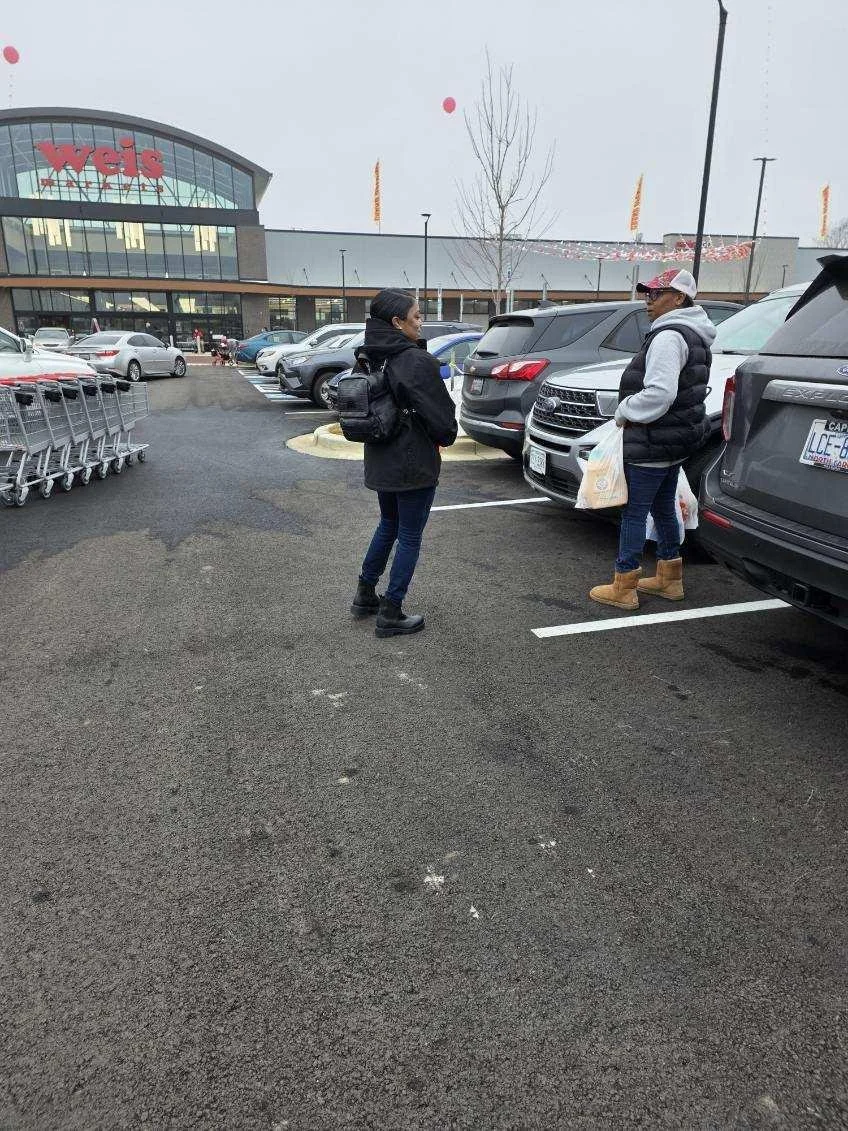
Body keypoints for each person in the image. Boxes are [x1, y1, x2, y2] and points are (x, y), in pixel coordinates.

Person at [589, 268, 716, 610]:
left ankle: (624, 584)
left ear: (678, 298)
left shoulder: (669, 336)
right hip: (674, 441)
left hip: (653, 440)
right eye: (648, 293)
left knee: (633, 512)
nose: (649, 300)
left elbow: (660, 393)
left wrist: (624, 410)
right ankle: (669, 578)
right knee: (663, 507)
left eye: (656, 294)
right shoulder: (694, 335)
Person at [351, 289, 458, 637]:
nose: (421, 321)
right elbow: (441, 418)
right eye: (416, 316)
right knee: (409, 535)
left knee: (388, 524)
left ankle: (365, 595)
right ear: (397, 322)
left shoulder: (368, 356)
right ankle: (392, 611)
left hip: (380, 455)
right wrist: (446, 435)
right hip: (413, 461)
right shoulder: (414, 361)